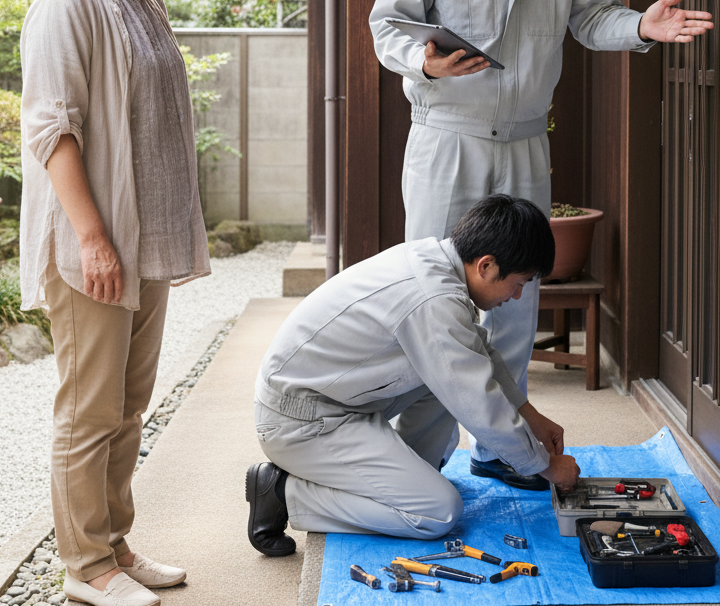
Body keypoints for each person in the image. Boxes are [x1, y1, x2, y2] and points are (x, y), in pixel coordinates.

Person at [369, 0, 713, 489]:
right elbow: (388, 27)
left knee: (516, 299)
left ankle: (501, 450)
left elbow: (595, 20)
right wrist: (424, 60)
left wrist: (642, 28)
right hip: (447, 139)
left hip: (525, 144)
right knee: (436, 297)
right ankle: (418, 457)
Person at [20, 0, 211, 606]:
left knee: (129, 406)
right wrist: (93, 238)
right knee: (89, 406)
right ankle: (84, 562)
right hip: (95, 243)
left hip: (145, 241)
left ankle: (114, 542)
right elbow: (51, 129)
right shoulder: (67, 0)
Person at [245, 194, 581, 556]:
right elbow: (479, 405)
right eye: (519, 283)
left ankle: (408, 476)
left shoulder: (436, 261)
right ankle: (282, 490)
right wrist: (546, 467)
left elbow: (478, 356)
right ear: (486, 265)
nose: (516, 296)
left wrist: (531, 416)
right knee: (437, 512)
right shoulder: (433, 299)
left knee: (450, 374)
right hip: (300, 420)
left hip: (333, 399)